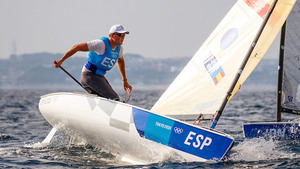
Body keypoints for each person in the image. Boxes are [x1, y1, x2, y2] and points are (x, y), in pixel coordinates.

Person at [53, 24, 132, 101]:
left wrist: (124, 80)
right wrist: (61, 60)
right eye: (120, 35)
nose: (122, 38)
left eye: (123, 35)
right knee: (114, 98)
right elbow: (76, 47)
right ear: (111, 35)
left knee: (105, 100)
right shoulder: (100, 44)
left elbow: (120, 61)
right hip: (89, 75)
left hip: (100, 77)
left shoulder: (119, 49)